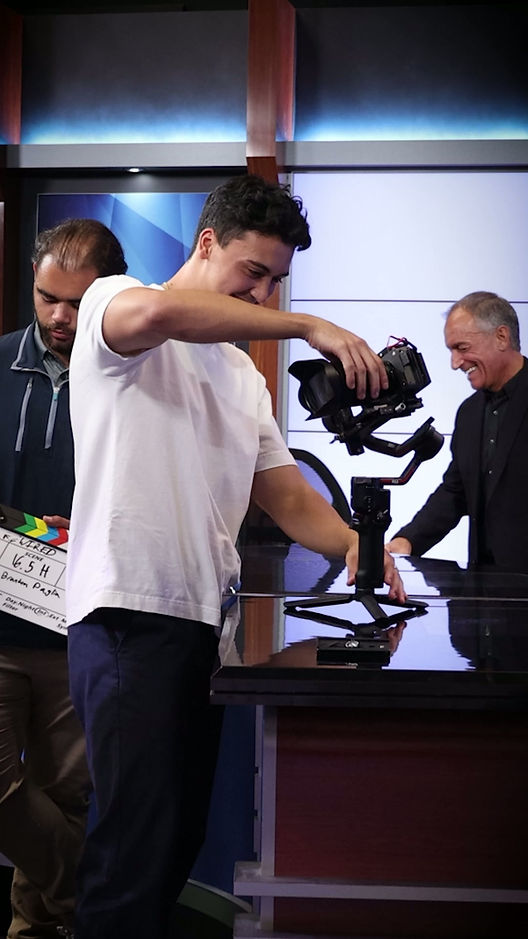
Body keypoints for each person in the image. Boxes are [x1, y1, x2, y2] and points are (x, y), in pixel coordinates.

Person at [65, 173, 405, 939]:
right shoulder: (118, 301)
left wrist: (361, 547)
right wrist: (308, 325)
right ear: (207, 242)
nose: (262, 294)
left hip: (198, 629)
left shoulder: (242, 375)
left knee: (171, 844)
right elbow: (160, 314)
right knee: (129, 857)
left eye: (276, 281)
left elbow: (288, 498)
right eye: (252, 272)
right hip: (125, 616)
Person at [0, 218, 128, 939]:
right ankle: (98, 893)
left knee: (65, 795)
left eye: (77, 303)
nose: (59, 316)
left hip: (81, 628)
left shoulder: (133, 375)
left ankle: (36, 928)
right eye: (48, 297)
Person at [387, 290, 528, 572]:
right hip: (483, 585)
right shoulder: (469, 412)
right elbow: (456, 491)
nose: (455, 363)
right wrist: (407, 541)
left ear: (501, 337)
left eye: (462, 348)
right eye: (451, 351)